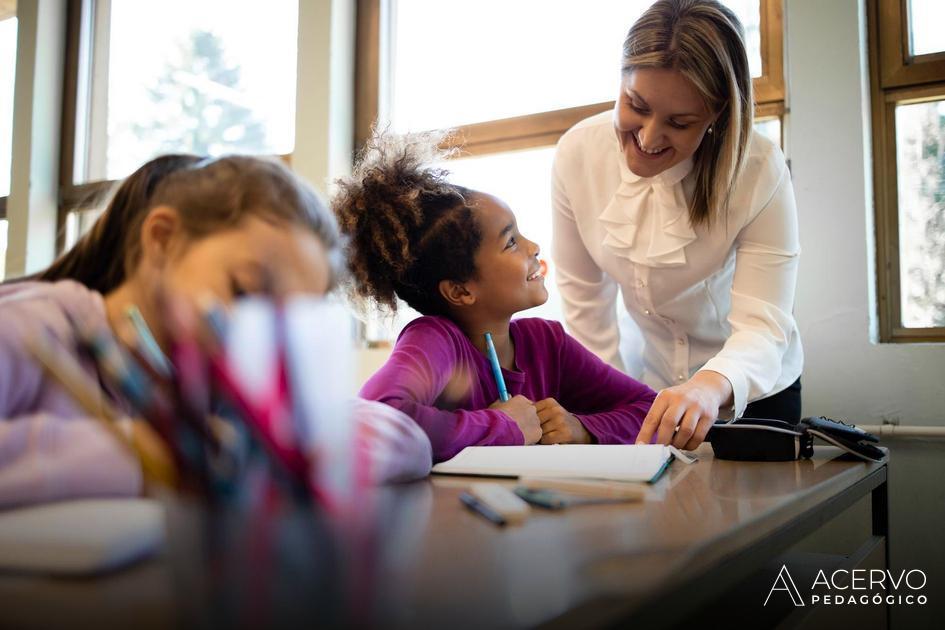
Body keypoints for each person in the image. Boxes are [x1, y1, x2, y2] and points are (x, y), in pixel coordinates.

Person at [0, 154, 431, 508]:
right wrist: (159, 450)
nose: (258, 337)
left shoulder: (215, 384)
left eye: (284, 328)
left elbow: (408, 439)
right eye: (245, 292)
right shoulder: (37, 326)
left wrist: (278, 444)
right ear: (163, 240)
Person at [552, 0, 802, 450]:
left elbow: (763, 326)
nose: (647, 138)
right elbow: (586, 307)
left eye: (679, 122)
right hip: (640, 392)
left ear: (717, 116)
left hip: (747, 392)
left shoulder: (759, 170)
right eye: (636, 105)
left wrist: (710, 385)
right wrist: (608, 411)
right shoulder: (577, 155)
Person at [335, 133, 656, 463]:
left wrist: (583, 429)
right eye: (511, 243)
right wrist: (504, 425)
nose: (534, 247)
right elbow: (374, 424)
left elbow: (652, 410)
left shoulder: (548, 343)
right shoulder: (435, 340)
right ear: (461, 291)